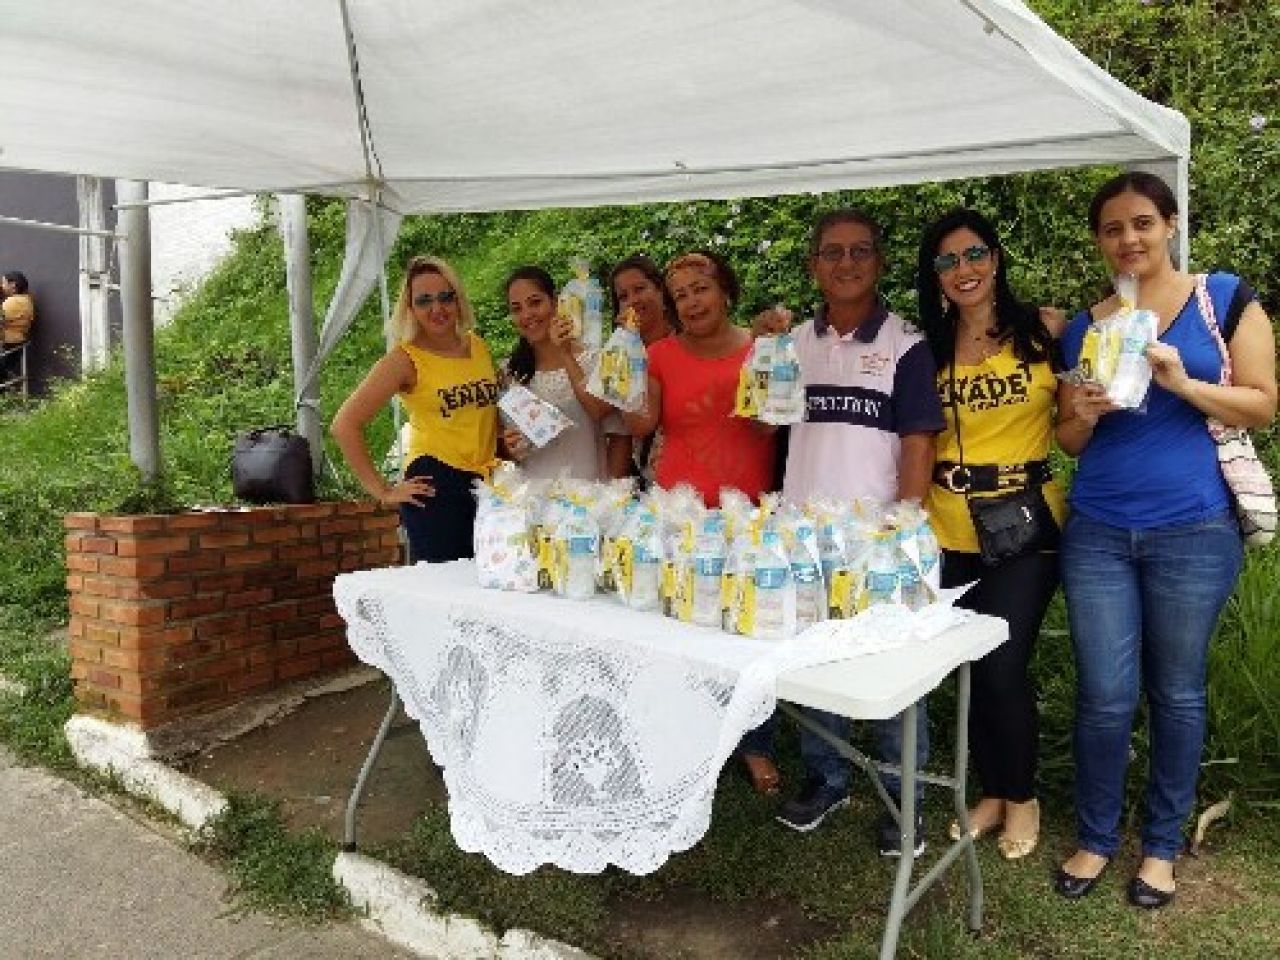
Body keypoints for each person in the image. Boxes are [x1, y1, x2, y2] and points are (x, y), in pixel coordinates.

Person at [1054, 172, 1276, 909]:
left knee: (1177, 691)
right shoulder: (1088, 326)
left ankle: (1160, 845)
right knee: (1104, 695)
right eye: (1113, 228)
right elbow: (1069, 439)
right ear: (1100, 240)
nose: (1129, 239)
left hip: (1195, 528)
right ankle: (1095, 835)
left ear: (1170, 224)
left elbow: (1263, 405)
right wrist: (1084, 414)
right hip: (1099, 531)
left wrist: (1182, 383)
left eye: (1142, 222)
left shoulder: (1223, 298)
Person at [764, 210, 944, 857]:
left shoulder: (905, 343)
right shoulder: (790, 345)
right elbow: (765, 422)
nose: (846, 263)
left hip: (878, 542)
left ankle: (903, 796)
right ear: (813, 264)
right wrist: (761, 351)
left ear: (880, 261)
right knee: (816, 662)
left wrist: (901, 530)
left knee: (893, 670)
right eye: (832, 252)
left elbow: (918, 442)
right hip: (803, 538)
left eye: (860, 251)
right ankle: (827, 778)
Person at [915, 208, 1066, 861]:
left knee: (1003, 664)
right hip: (946, 524)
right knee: (971, 668)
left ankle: (1022, 795)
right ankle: (992, 792)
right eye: (947, 261)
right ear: (936, 276)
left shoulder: (1047, 330)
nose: (963, 269)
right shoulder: (927, 347)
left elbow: (1076, 417)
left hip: (1025, 520)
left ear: (996, 258)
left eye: (974, 254)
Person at [331, 255, 499, 563]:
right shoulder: (404, 360)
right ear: (410, 309)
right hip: (436, 486)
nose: (437, 309)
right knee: (445, 586)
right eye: (424, 301)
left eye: (445, 297)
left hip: (487, 483)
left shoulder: (477, 346)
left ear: (458, 299)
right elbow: (344, 425)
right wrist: (383, 491)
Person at [622, 250, 775, 508]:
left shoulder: (761, 348)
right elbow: (639, 426)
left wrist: (764, 355)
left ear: (724, 292)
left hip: (748, 516)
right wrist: (625, 362)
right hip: (675, 512)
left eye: (701, 289)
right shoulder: (658, 355)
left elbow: (767, 425)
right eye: (680, 296)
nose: (692, 302)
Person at [499, 266, 619, 480]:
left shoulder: (595, 362)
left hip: (589, 493)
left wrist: (565, 354)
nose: (527, 315)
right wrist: (510, 448)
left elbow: (617, 433)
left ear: (554, 302)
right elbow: (509, 448)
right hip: (534, 494)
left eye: (535, 303)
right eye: (517, 309)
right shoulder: (510, 373)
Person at [605, 255, 678, 483]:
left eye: (639, 289)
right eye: (623, 296)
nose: (632, 301)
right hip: (648, 480)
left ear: (661, 291)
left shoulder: (688, 344)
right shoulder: (618, 353)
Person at [1, 271, 34, 385]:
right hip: (15, 342)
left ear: (13, 285)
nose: (2, 286)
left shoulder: (14, 302)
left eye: (4, 283)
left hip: (7, 343)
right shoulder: (26, 300)